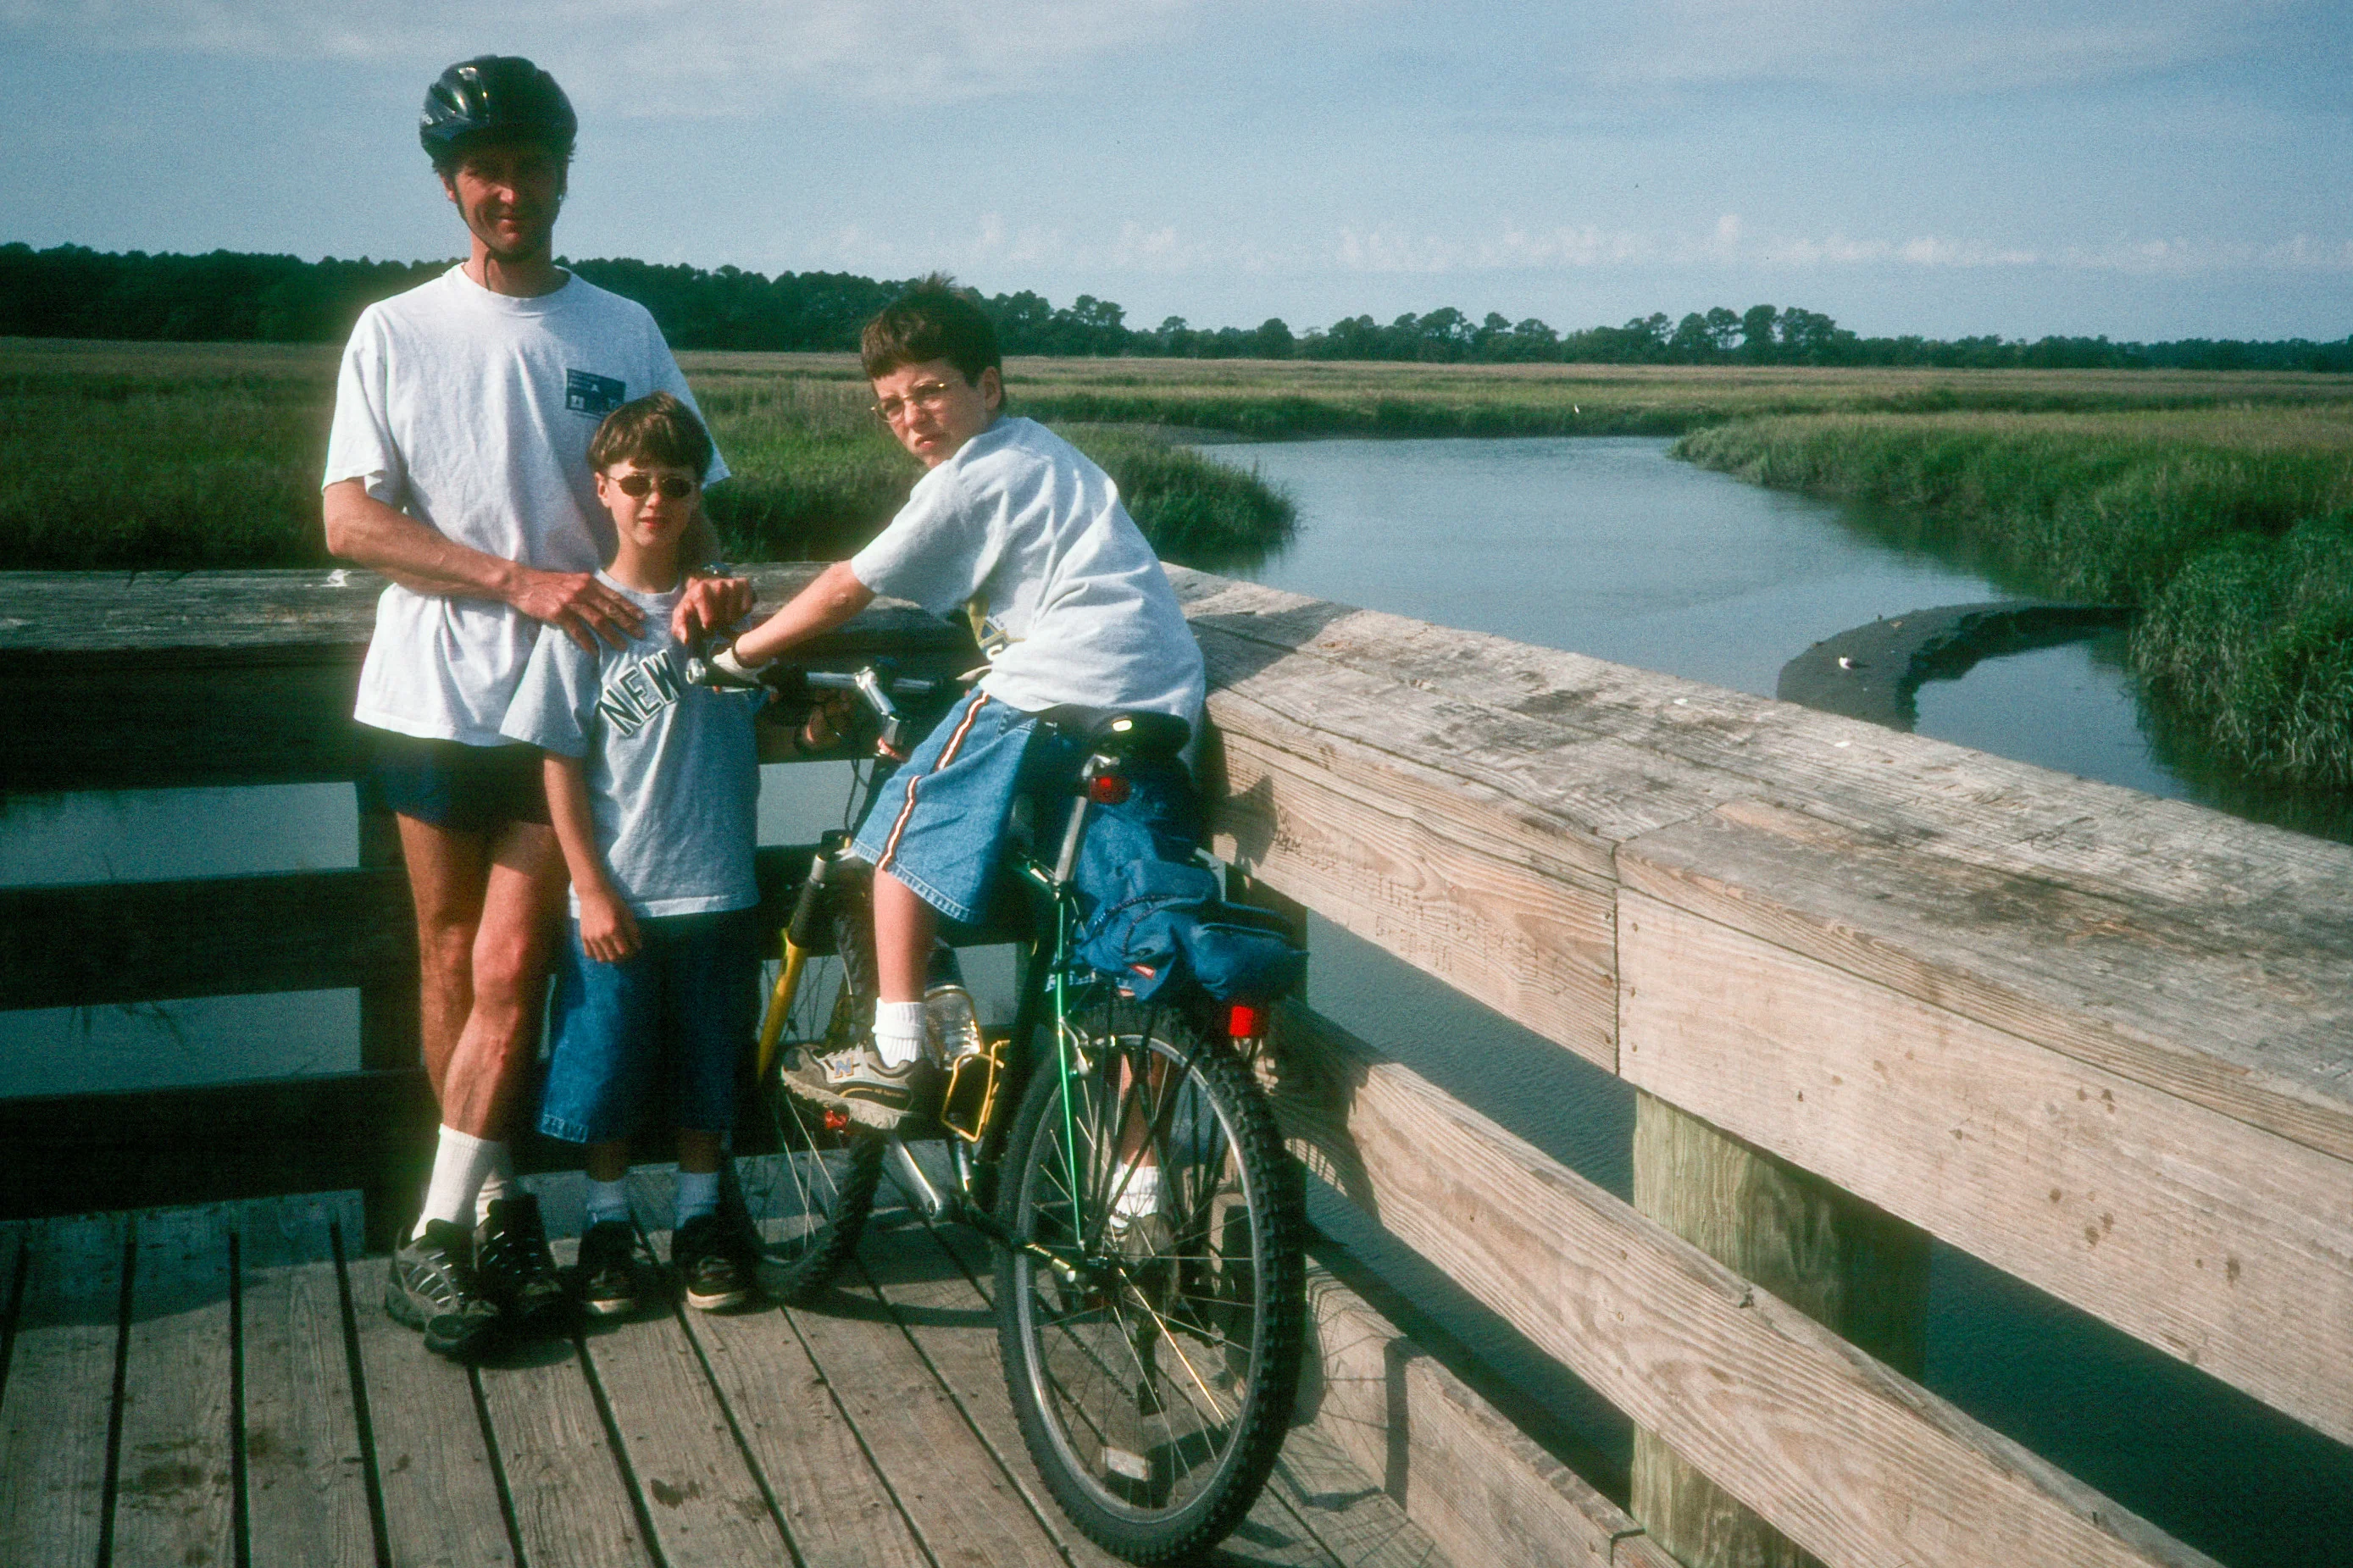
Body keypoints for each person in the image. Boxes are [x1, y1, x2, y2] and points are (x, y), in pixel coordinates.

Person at [322, 54, 748, 1359]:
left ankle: (436, 1232)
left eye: (530, 165)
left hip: (595, 707)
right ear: (453, 186)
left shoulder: (619, 329)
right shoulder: (396, 329)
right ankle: (495, 1204)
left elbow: (691, 490)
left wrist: (721, 592)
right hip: (439, 690)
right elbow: (348, 519)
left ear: (565, 172)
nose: (510, 190)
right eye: (484, 171)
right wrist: (518, 579)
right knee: (453, 957)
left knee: (515, 961)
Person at [711, 275, 1206, 1132]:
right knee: (1126, 934)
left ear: (988, 385)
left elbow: (843, 588)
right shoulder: (1047, 453)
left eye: (931, 390)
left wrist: (736, 655)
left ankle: (896, 1051)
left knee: (902, 825)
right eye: (891, 405)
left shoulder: (972, 474)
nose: (912, 417)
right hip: (1156, 698)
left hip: (1056, 685)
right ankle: (1137, 1179)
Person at [500, 393, 763, 1315]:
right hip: (616, 897)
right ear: (602, 490)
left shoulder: (727, 607)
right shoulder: (587, 619)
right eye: (637, 483)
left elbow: (770, 702)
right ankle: (606, 1224)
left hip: (718, 884)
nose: (655, 499)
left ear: (697, 495)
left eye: (675, 485)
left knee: (705, 1064)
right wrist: (590, 887)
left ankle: (699, 1219)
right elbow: (561, 762)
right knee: (601, 1065)